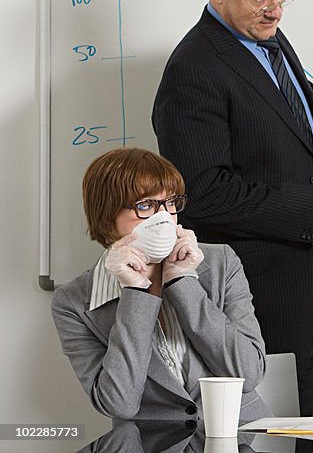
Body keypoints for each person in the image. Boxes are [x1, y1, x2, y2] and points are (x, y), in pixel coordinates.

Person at [152, 0, 313, 415]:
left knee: (304, 424)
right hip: (251, 296)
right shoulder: (193, 69)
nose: (276, 9)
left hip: (298, 282)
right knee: (272, 433)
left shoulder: (266, 37)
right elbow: (202, 193)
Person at [51, 147, 270, 423]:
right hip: (153, 443)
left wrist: (183, 281)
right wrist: (136, 294)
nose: (164, 217)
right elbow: (119, 404)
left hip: (237, 436)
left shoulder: (219, 262)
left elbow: (248, 373)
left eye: (170, 203)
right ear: (107, 215)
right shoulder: (74, 302)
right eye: (146, 206)